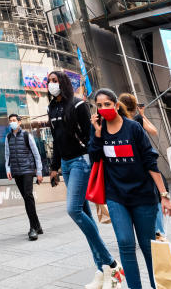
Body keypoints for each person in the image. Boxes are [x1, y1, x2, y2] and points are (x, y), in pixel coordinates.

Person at [90, 88, 171, 289]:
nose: (103, 109)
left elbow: (149, 161)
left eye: (107, 104)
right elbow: (94, 158)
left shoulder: (133, 128)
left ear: (116, 105)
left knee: (148, 247)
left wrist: (164, 195)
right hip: (116, 196)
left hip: (143, 195)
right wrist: (97, 134)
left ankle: (157, 286)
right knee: (125, 244)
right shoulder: (98, 129)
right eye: (99, 105)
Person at [46, 71, 121, 283]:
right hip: (66, 164)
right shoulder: (51, 108)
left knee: (73, 210)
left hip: (81, 160)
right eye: (49, 81)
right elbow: (56, 139)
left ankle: (111, 263)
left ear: (63, 82)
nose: (51, 85)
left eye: (54, 80)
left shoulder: (78, 105)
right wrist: (54, 167)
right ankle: (102, 269)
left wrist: (96, 160)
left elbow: (90, 136)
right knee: (84, 213)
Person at [118, 93, 167, 241]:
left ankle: (148, 231)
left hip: (129, 165)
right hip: (144, 162)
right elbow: (154, 131)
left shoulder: (121, 122)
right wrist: (143, 115)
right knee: (155, 196)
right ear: (134, 106)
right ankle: (158, 231)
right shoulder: (137, 120)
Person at [4, 114, 43, 240]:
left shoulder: (27, 135)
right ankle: (37, 225)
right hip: (16, 171)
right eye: (10, 121)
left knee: (28, 196)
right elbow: (7, 155)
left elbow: (36, 154)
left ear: (19, 122)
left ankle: (33, 228)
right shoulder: (8, 137)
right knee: (27, 198)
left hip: (27, 170)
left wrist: (39, 172)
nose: (12, 123)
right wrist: (8, 169)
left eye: (14, 120)